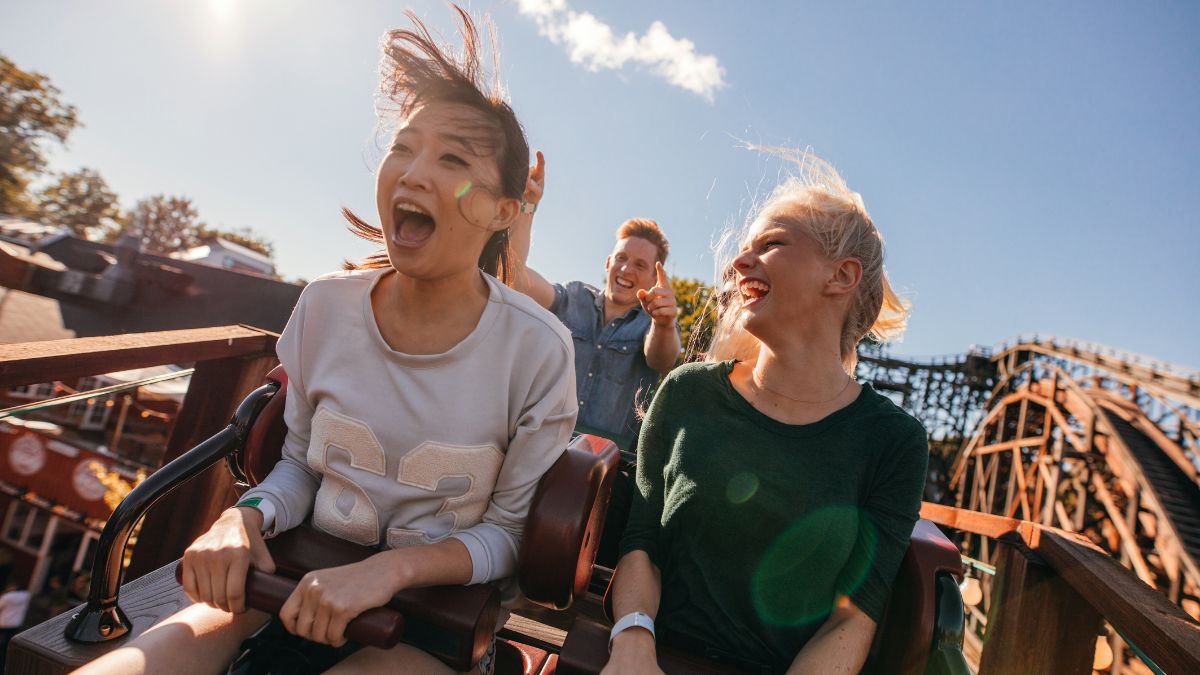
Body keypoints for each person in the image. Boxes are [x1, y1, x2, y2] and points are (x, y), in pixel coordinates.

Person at [78, 6, 576, 675]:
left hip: (435, 622)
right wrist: (243, 517)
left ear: (504, 212)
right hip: (292, 577)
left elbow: (505, 537)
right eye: (403, 146)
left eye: (452, 159)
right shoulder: (323, 304)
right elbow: (305, 467)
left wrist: (388, 572)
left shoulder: (538, 350)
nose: (414, 172)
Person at [603, 150, 928, 674]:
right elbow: (643, 542)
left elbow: (853, 616)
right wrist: (632, 644)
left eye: (772, 244)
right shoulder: (688, 392)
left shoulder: (894, 441)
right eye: (744, 249)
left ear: (841, 276)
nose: (738, 264)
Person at [509, 154, 680, 448]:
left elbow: (662, 359)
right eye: (622, 259)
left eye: (640, 265)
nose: (626, 269)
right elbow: (514, 276)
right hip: (536, 445)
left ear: (654, 278)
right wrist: (526, 207)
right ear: (608, 263)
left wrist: (664, 324)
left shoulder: (652, 324)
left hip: (606, 466)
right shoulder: (573, 297)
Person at [0, 582, 31, 664]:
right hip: (16, 622)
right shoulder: (26, 595)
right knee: (8, 641)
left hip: (4, 621)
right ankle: (5, 656)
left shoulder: (7, 597)